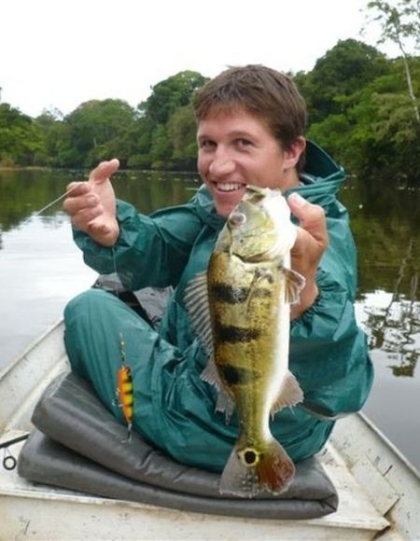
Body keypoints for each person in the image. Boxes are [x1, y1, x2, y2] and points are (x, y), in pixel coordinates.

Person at [62, 64, 373, 472]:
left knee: (90, 308)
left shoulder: (311, 235)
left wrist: (305, 301)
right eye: (208, 144)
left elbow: (343, 386)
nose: (218, 166)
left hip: (211, 427)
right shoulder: (236, 207)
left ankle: (238, 447)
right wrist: (115, 231)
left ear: (292, 150)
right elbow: (166, 244)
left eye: (242, 143)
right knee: (139, 293)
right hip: (264, 414)